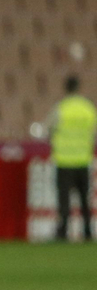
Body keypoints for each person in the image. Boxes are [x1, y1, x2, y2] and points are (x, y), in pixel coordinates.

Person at [48, 75, 96, 241]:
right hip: (83, 159)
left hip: (64, 160)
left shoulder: (61, 108)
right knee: (84, 198)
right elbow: (94, 132)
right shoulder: (88, 108)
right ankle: (88, 232)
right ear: (79, 88)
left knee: (64, 199)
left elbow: (49, 129)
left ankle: (63, 232)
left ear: (65, 88)